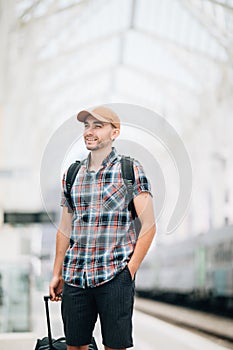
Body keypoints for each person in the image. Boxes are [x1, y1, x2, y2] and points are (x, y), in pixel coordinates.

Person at [49, 106, 156, 350]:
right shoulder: (72, 173)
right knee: (74, 346)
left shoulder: (130, 170)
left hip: (115, 275)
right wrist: (57, 272)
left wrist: (129, 271)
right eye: (87, 126)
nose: (89, 131)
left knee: (114, 347)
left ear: (114, 132)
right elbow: (65, 228)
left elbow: (149, 225)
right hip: (76, 276)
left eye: (98, 126)